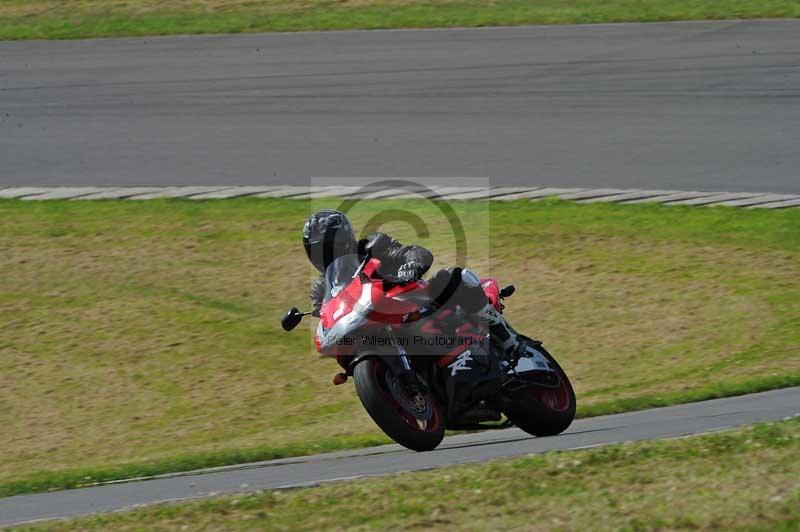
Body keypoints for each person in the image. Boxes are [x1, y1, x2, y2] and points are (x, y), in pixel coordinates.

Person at [302, 209, 522, 357]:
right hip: (370, 326)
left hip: (414, 302)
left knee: (456, 277)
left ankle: (507, 339)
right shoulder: (321, 289)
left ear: (346, 238)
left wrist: (412, 265)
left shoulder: (372, 246)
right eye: (317, 249)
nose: (326, 254)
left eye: (330, 246)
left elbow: (412, 252)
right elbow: (325, 315)